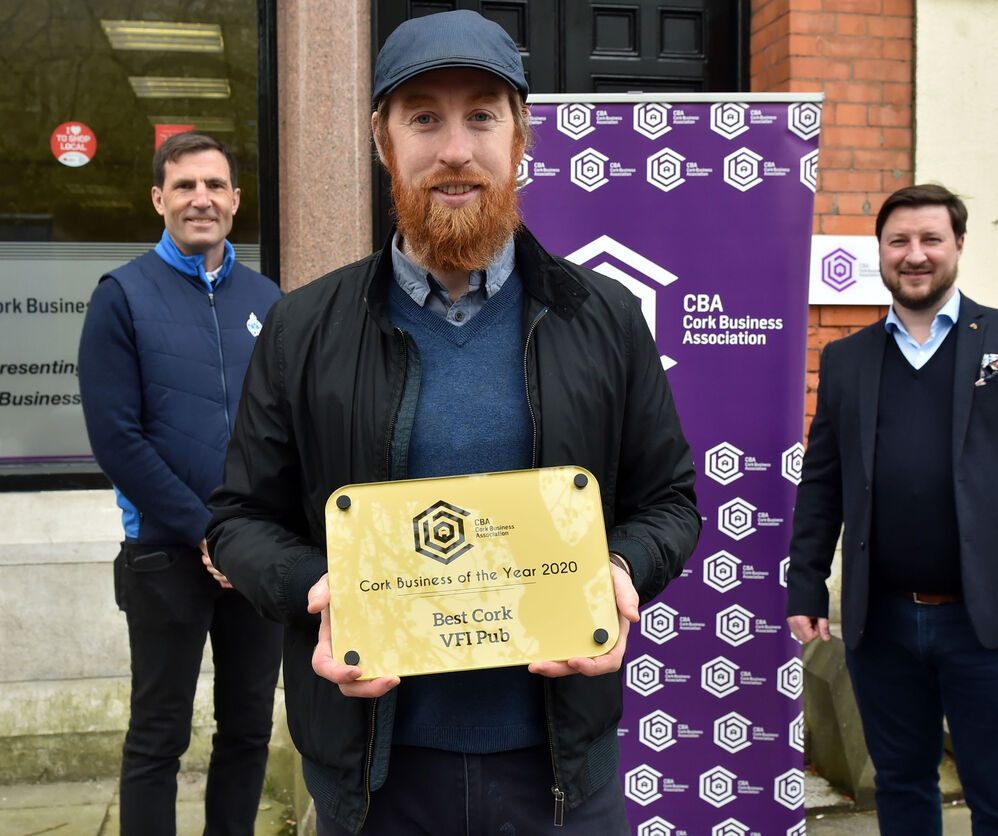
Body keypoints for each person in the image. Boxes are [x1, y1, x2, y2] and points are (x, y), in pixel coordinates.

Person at [205, 10, 700, 834]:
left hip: (561, 779)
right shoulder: (305, 329)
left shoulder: (603, 317)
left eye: (482, 115)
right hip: (375, 780)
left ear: (521, 136)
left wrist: (623, 567)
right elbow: (238, 520)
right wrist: (321, 593)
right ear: (382, 140)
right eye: (424, 117)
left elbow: (671, 501)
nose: (456, 150)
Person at [786, 183, 998, 835]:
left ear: (959, 245)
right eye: (899, 241)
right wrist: (807, 584)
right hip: (885, 625)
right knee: (900, 789)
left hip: (995, 628)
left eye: (931, 239)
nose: (915, 254)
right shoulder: (848, 360)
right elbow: (822, 481)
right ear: (880, 252)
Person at [77, 131, 284, 834]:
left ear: (234, 200)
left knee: (250, 727)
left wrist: (253, 535)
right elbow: (117, 440)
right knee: (158, 735)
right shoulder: (122, 296)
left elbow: (285, 427)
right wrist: (207, 532)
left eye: (215, 185)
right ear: (159, 200)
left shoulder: (266, 298)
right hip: (165, 554)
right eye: (186, 186)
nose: (202, 198)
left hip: (251, 556)